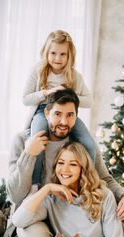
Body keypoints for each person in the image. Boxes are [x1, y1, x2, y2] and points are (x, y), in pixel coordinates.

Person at [5, 88, 124, 237]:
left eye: (70, 115)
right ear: (46, 113)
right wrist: (29, 154)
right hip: (37, 208)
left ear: (76, 116)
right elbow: (15, 194)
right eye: (57, 114)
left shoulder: (82, 144)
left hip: (70, 209)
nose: (63, 122)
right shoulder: (22, 141)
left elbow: (104, 178)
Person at [23, 29, 94, 189]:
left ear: (70, 56)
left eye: (63, 54)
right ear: (46, 52)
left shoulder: (75, 76)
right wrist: (46, 93)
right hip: (43, 111)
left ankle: (88, 183)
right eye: (53, 53)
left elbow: (89, 102)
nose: (57, 58)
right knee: (38, 140)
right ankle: (35, 185)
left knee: (89, 143)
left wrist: (69, 94)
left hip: (68, 114)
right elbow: (25, 99)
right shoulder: (38, 71)